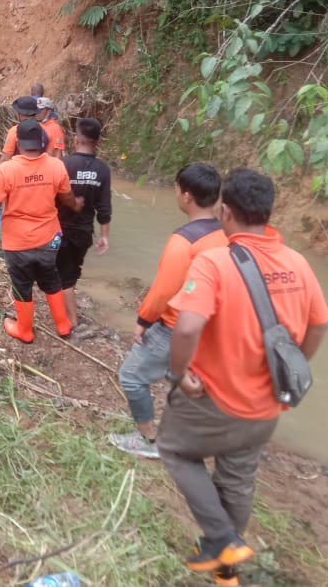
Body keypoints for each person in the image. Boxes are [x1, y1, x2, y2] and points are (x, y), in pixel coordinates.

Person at [157, 168, 328, 585]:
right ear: (268, 214)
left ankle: (220, 539)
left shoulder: (215, 262)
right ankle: (226, 573)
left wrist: (178, 374)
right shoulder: (298, 264)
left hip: (216, 401)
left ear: (226, 212)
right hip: (268, 404)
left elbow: (185, 327)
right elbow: (321, 324)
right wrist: (292, 370)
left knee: (174, 450)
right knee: (237, 481)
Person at [112, 163, 226, 460]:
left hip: (177, 323)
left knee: (132, 377)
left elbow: (165, 289)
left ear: (186, 196)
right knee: (185, 379)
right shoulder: (225, 234)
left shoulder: (184, 240)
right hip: (210, 324)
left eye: (177, 189)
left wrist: (143, 320)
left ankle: (149, 440)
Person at [0, 119, 83, 342]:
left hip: (18, 243)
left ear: (18, 142)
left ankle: (25, 331)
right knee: (51, 279)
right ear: (41, 141)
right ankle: (63, 325)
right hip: (50, 240)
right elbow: (66, 197)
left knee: (22, 285)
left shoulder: (7, 170)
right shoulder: (56, 166)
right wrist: (76, 205)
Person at [56, 118, 111, 329]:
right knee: (71, 270)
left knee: (64, 276)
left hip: (60, 231)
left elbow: (52, 198)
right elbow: (104, 207)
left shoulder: (64, 164)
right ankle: (67, 307)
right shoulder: (103, 170)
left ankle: (72, 320)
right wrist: (104, 235)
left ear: (76, 139)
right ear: (97, 141)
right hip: (84, 233)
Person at [0, 96, 49, 168]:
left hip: (19, 174)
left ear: (20, 114)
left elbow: (5, 159)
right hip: (41, 174)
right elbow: (50, 155)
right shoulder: (45, 130)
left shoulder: (14, 132)